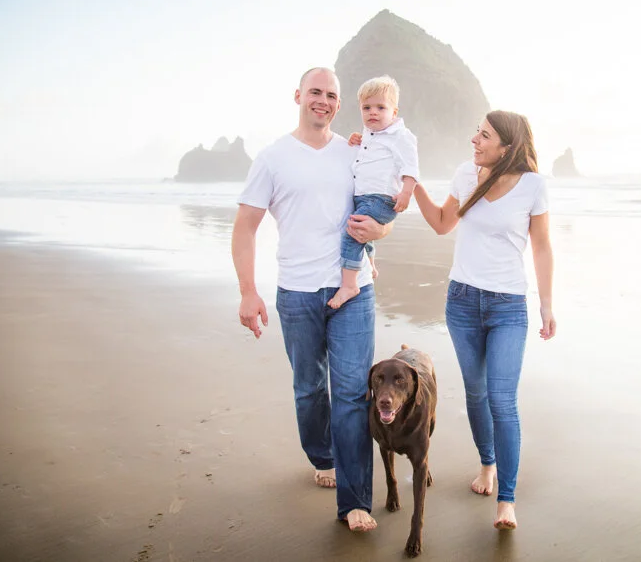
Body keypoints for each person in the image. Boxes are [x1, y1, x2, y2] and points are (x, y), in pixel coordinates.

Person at [231, 67, 391, 533]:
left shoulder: (356, 152)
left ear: (339, 105)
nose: (323, 101)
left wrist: (379, 235)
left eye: (332, 96)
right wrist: (247, 291)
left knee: (351, 393)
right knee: (309, 388)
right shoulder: (273, 158)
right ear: (298, 96)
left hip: (353, 288)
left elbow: (379, 211)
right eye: (315, 92)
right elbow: (245, 228)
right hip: (297, 292)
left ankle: (355, 500)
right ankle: (322, 455)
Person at [412, 110, 556, 531]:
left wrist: (546, 304)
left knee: (501, 399)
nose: (474, 139)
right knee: (475, 394)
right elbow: (442, 224)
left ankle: (506, 500)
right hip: (461, 301)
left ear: (506, 147)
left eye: (484, 135)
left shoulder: (533, 186)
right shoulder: (465, 174)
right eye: (476, 131)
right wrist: (412, 184)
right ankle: (487, 465)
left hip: (508, 306)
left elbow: (543, 248)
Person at [328, 75, 419, 309]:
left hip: (382, 198)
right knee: (364, 236)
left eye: (381, 107)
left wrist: (406, 192)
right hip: (364, 196)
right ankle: (370, 263)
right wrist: (357, 140)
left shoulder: (401, 136)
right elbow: (365, 158)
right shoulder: (370, 134)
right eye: (366, 108)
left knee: (354, 230)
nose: (373, 113)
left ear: (394, 111)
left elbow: (411, 166)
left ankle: (349, 284)